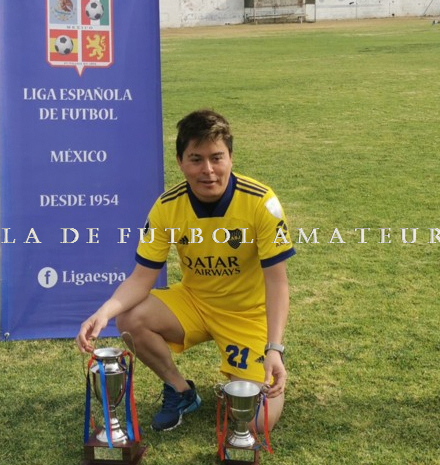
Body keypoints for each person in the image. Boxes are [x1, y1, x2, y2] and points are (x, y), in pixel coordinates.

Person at [75, 110, 295, 433]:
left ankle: (255, 371)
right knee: (131, 318)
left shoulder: (262, 203)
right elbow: (141, 278)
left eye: (216, 158)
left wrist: (274, 347)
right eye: (196, 159)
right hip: (195, 302)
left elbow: (277, 283)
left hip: (246, 315)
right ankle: (180, 390)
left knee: (256, 423)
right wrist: (104, 312)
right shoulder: (167, 207)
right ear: (180, 162)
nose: (208, 170)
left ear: (231, 157)